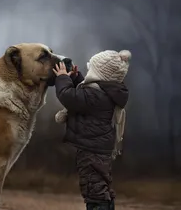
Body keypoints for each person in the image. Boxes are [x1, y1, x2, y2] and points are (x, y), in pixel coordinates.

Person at [52, 50, 131, 210]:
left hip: (90, 151)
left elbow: (68, 96)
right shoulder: (105, 92)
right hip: (99, 148)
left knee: (94, 191)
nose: (89, 73)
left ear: (99, 74)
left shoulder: (94, 96)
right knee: (101, 188)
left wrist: (62, 78)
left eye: (91, 70)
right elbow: (84, 95)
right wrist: (75, 78)